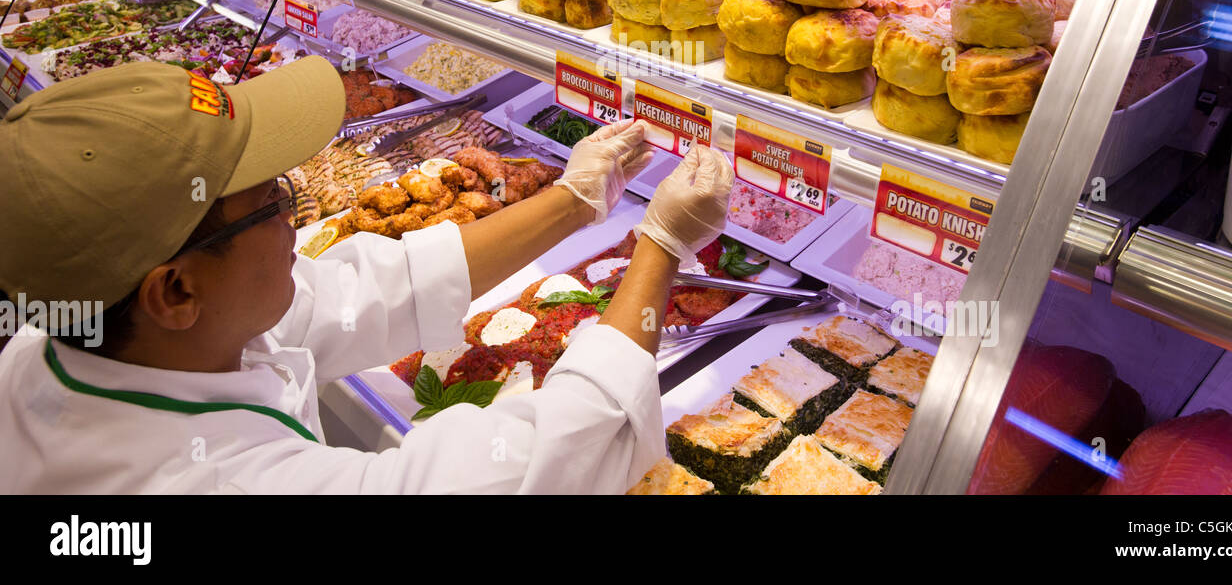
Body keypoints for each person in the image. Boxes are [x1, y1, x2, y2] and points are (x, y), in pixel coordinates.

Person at [0, 55, 734, 493]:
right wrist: (661, 244)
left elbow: (363, 289)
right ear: (176, 289)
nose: (296, 215)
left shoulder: (69, 337)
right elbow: (551, 459)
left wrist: (574, 202)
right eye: (272, 200)